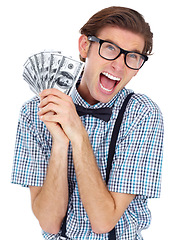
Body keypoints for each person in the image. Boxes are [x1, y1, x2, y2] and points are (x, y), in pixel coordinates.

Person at [11, 6, 164, 240]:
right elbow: (50, 223)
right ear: (85, 46)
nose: (119, 65)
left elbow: (103, 221)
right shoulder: (35, 111)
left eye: (132, 56)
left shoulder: (142, 114)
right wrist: (60, 141)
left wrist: (78, 134)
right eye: (110, 48)